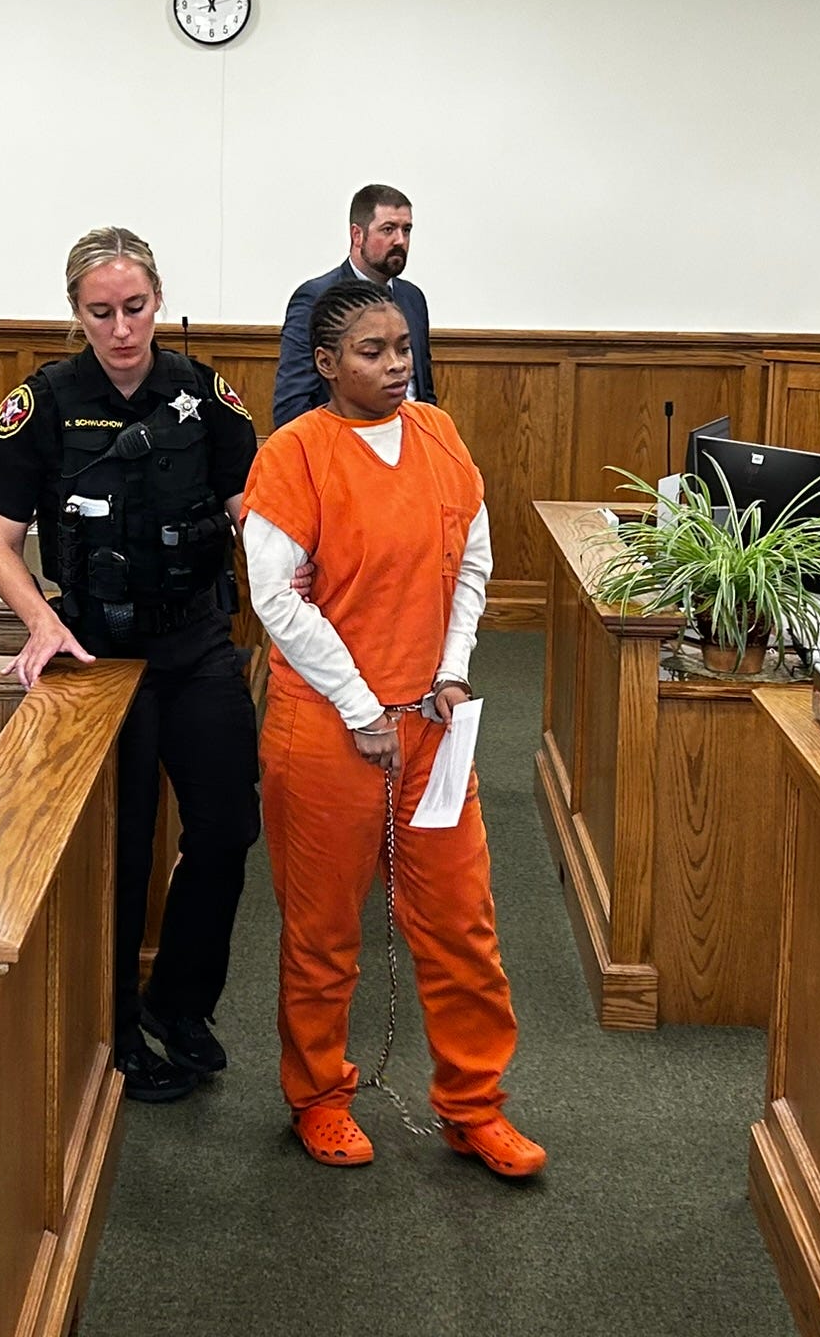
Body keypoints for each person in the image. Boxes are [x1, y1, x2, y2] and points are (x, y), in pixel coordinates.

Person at [244, 278, 543, 1178]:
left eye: (403, 348)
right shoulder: (295, 454)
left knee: (462, 924)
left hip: (431, 731)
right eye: (371, 353)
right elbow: (276, 601)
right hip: (328, 731)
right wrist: (362, 707)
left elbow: (474, 561)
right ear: (326, 365)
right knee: (324, 932)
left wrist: (452, 672)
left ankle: (474, 1103)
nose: (394, 366)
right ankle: (320, 1098)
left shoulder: (440, 436)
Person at [0, 226, 261, 1104]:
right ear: (76, 315)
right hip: (97, 653)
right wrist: (40, 624)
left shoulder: (204, 392)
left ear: (158, 299)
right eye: (100, 313)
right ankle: (115, 1023)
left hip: (197, 643)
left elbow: (247, 500)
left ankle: (182, 1003)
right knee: (123, 847)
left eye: (135, 308)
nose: (122, 328)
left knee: (224, 829)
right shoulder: (44, 402)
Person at [273, 183, 435, 428]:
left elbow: (424, 393)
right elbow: (292, 405)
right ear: (357, 235)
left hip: (411, 443)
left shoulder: (412, 298)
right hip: (344, 444)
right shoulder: (317, 298)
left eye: (407, 229)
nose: (400, 240)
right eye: (388, 229)